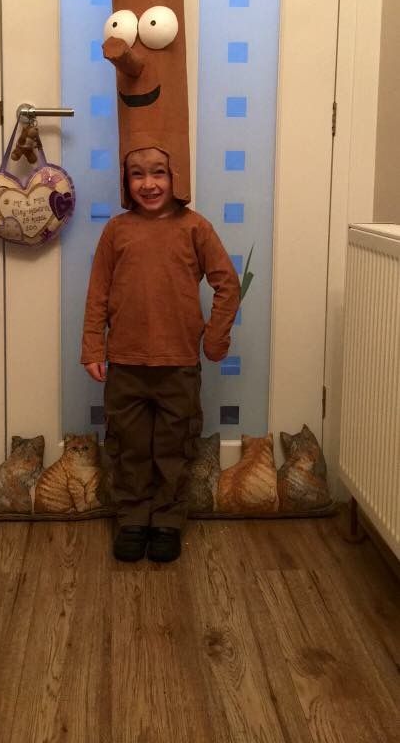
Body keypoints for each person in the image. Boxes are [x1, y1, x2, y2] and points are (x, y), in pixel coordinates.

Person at [81, 147, 240, 562]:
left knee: (174, 447)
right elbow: (97, 293)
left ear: (176, 178)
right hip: (125, 364)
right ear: (125, 182)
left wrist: (215, 338)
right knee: (128, 445)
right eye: (137, 175)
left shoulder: (195, 228)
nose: (148, 184)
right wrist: (93, 347)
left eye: (158, 174)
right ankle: (132, 517)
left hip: (180, 365)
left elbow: (228, 284)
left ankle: (167, 520)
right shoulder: (116, 231)